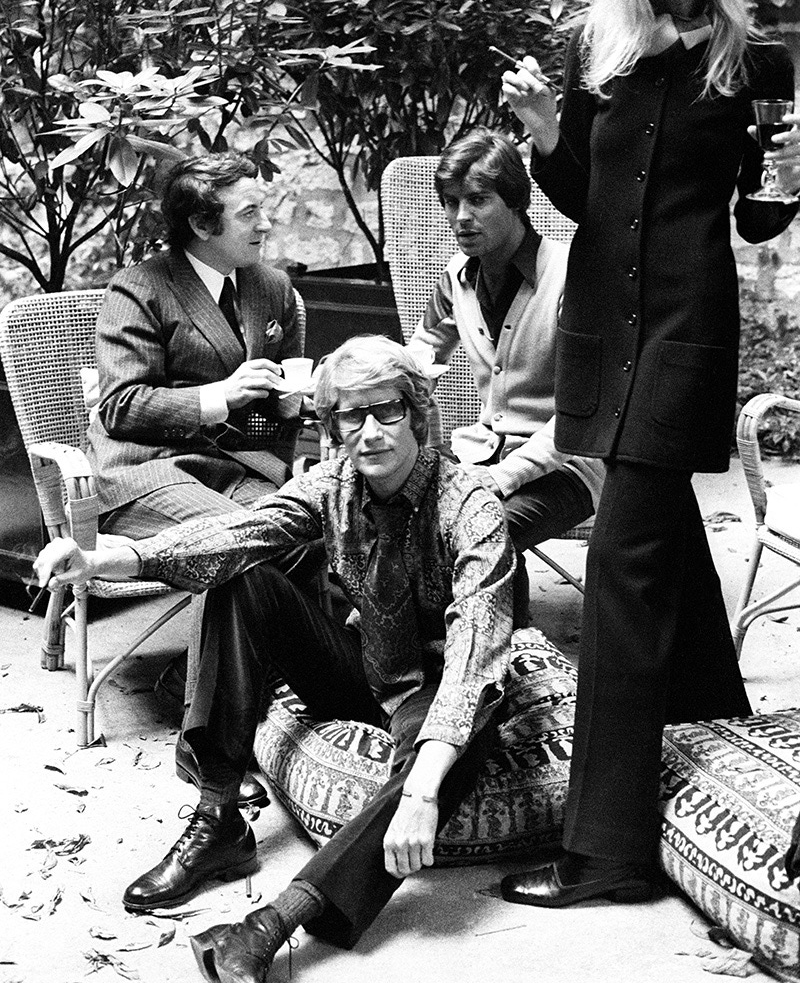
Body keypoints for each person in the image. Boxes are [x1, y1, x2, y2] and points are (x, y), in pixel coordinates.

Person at [498, 0, 800, 908]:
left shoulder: (749, 61)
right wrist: (544, 137)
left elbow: (757, 212)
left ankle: (605, 853)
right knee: (657, 534)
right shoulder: (595, 49)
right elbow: (584, 198)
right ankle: (712, 716)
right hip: (600, 329)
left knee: (622, 577)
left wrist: (790, 176)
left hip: (681, 335)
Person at [35, 336, 517, 982]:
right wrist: (101, 560)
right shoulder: (333, 485)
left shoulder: (471, 504)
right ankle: (217, 817)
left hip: (435, 683)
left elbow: (473, 656)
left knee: (459, 737)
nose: (371, 432)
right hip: (364, 665)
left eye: (388, 411)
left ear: (418, 413)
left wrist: (425, 789)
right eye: (352, 415)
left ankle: (272, 924)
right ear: (334, 424)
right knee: (241, 573)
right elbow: (232, 534)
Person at [88, 149, 317, 807]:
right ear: (201, 225)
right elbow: (120, 408)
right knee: (238, 542)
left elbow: (264, 425)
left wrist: (288, 410)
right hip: (142, 470)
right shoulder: (141, 287)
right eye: (250, 213)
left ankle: (229, 688)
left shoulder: (270, 288)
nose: (266, 222)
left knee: (303, 528)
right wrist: (219, 395)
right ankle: (209, 747)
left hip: (232, 466)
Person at [407, 127, 604, 623]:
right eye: (451, 202)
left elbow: (584, 414)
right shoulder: (458, 275)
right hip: (481, 454)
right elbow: (425, 351)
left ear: (516, 200)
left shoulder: (572, 278)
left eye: (478, 200)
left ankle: (509, 664)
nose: (461, 218)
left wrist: (499, 478)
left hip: (570, 467)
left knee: (485, 530)